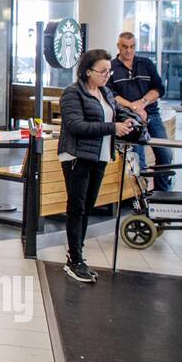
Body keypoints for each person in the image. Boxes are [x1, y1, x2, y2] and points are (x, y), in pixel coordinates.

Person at [58, 48, 136, 284]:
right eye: (102, 71)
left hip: (100, 156)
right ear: (87, 71)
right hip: (76, 157)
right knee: (77, 207)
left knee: (88, 205)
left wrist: (126, 120)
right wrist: (112, 128)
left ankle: (77, 255)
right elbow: (75, 126)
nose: (107, 75)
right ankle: (75, 259)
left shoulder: (106, 93)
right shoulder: (72, 93)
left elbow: (115, 114)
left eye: (109, 71)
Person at [108, 32, 174, 191]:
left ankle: (162, 195)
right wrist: (134, 107)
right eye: (124, 47)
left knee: (165, 155)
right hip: (129, 119)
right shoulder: (111, 67)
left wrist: (143, 103)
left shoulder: (146, 64)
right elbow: (111, 95)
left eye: (132, 47)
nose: (129, 51)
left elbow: (159, 89)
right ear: (118, 46)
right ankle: (144, 198)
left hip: (151, 115)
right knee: (138, 159)